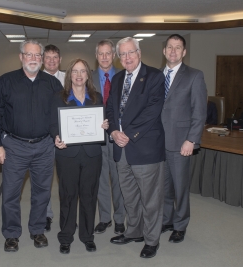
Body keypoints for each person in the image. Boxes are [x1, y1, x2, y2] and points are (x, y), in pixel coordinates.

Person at [0, 40, 63, 252]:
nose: (33, 59)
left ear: (41, 59)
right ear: (21, 57)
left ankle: (37, 230)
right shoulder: (5, 81)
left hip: (45, 147)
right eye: (29, 55)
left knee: (42, 192)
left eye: (37, 55)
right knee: (10, 194)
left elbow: (60, 115)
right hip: (14, 147)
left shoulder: (52, 84)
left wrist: (60, 135)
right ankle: (11, 234)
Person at [107, 37, 165, 259]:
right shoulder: (118, 78)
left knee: (150, 199)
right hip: (121, 149)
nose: (127, 58)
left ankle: (151, 240)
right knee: (129, 196)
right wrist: (113, 131)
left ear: (139, 53)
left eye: (130, 52)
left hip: (145, 147)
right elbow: (110, 109)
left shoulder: (154, 77)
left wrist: (127, 135)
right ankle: (134, 231)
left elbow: (152, 111)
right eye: (122, 54)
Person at [50, 58, 108, 254]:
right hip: (67, 154)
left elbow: (103, 121)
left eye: (83, 71)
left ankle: (87, 236)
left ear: (87, 76)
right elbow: (52, 124)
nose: (79, 75)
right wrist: (56, 137)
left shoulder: (97, 98)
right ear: (69, 75)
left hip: (92, 154)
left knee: (89, 196)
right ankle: (66, 236)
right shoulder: (59, 97)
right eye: (75, 71)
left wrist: (104, 126)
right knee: (67, 196)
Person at [161, 34, 207, 243]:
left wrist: (192, 140)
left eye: (177, 48)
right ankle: (167, 220)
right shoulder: (156, 76)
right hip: (158, 143)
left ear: (184, 52)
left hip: (181, 143)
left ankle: (180, 225)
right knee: (164, 187)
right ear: (164, 51)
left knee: (180, 188)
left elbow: (199, 112)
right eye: (170, 47)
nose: (173, 51)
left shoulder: (194, 76)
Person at [92, 39, 125, 235]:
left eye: (108, 53)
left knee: (119, 179)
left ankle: (120, 217)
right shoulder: (87, 78)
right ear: (96, 56)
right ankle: (105, 218)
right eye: (100, 54)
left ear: (114, 55)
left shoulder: (123, 77)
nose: (104, 57)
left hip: (118, 135)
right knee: (101, 179)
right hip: (96, 137)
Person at [42, 44, 65, 232]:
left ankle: (68, 214)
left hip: (66, 137)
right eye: (47, 57)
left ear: (60, 59)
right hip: (43, 138)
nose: (51, 61)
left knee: (66, 178)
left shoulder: (69, 79)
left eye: (55, 57)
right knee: (45, 179)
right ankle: (46, 214)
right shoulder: (35, 79)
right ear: (42, 59)